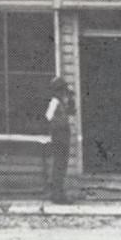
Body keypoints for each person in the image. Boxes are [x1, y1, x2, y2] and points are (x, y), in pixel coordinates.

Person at [46, 76, 76, 204]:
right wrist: (58, 124)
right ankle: (56, 194)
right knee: (58, 164)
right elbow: (48, 116)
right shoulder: (55, 102)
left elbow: (72, 113)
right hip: (58, 134)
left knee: (62, 164)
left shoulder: (63, 103)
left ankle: (59, 192)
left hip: (64, 134)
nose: (64, 93)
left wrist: (70, 102)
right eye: (62, 91)